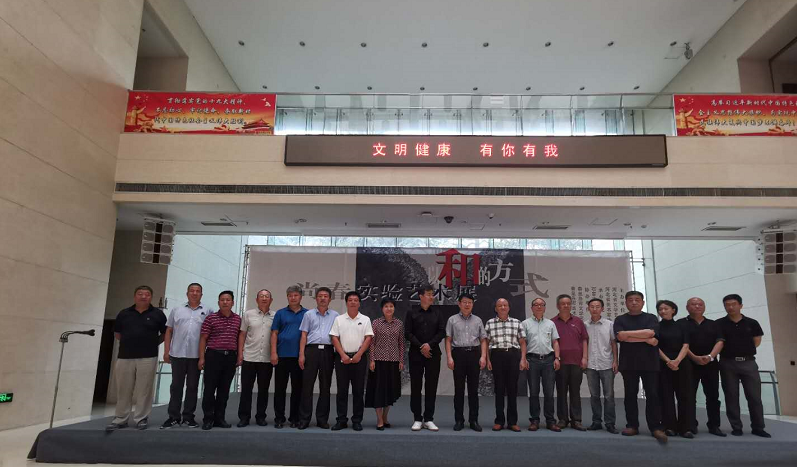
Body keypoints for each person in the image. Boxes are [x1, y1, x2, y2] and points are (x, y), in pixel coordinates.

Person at [106, 285, 167, 432]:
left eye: (147, 294)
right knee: (123, 389)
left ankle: (141, 418)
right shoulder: (124, 313)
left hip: (148, 356)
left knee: (144, 389)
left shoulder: (158, 314)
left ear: (151, 297)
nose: (143, 296)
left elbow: (165, 333)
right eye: (140, 294)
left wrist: (152, 343)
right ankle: (120, 418)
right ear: (135, 296)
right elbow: (117, 333)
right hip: (125, 356)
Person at [614, 291, 667, 443]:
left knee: (653, 395)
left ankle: (655, 427)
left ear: (643, 302)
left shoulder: (651, 317)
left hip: (650, 363)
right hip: (628, 363)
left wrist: (629, 335)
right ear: (626, 303)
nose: (634, 302)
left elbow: (652, 333)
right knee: (630, 395)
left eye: (637, 300)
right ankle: (632, 425)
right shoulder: (620, 319)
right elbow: (620, 337)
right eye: (630, 300)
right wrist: (644, 337)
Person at [717, 294, 770, 437]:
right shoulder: (719, 324)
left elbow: (756, 341)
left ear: (741, 305)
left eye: (733, 304)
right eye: (727, 305)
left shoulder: (752, 323)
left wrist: (743, 351)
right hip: (727, 363)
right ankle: (736, 427)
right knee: (731, 396)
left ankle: (758, 427)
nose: (730, 307)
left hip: (748, 362)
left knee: (754, 397)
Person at [162, 283, 212, 429]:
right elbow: (169, 331)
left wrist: (204, 355)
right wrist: (166, 351)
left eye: (198, 291)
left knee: (192, 387)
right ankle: (173, 417)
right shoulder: (177, 310)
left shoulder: (208, 311)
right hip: (177, 354)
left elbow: (210, 334)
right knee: (176, 386)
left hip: (196, 355)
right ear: (187, 293)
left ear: (201, 294)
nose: (194, 293)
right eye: (192, 291)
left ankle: (188, 417)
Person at [679, 297, 726, 436]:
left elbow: (720, 341)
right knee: (688, 396)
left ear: (704, 307)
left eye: (700, 304)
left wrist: (710, 357)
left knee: (713, 396)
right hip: (688, 364)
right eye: (693, 304)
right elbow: (681, 344)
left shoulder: (713, 324)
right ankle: (690, 425)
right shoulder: (680, 323)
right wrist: (694, 357)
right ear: (687, 307)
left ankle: (714, 425)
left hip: (710, 364)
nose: (697, 306)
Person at [329, 291, 374, 431]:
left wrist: (359, 354)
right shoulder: (339, 319)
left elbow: (368, 338)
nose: (353, 302)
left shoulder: (365, 319)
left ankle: (357, 420)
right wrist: (342, 355)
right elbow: (334, 337)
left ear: (359, 303)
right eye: (350, 300)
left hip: (359, 358)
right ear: (346, 303)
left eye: (355, 300)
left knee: (358, 391)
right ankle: (341, 420)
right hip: (342, 358)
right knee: (342, 391)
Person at [404, 285, 446, 432]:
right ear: (421, 296)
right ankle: (417, 418)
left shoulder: (438, 312)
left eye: (432, 294)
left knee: (431, 387)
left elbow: (441, 332)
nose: (431, 297)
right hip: (416, 354)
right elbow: (407, 333)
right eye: (428, 294)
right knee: (416, 386)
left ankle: (428, 419)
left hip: (433, 354)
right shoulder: (412, 312)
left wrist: (429, 345)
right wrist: (421, 346)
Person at [198, 290, 242, 430]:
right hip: (213, 356)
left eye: (228, 300)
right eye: (222, 300)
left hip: (230, 357)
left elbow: (239, 339)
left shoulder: (238, 319)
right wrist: (201, 358)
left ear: (232, 302)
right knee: (209, 389)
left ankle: (219, 418)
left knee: (224, 390)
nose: (225, 302)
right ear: (218, 302)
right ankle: (208, 419)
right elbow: (203, 338)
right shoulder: (211, 318)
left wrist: (239, 356)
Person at [297, 287, 339, 430]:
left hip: (328, 351)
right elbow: (303, 335)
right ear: (316, 298)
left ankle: (322, 419)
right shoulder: (308, 314)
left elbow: (337, 336)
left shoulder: (335, 315)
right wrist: (301, 354)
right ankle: (304, 419)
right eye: (320, 296)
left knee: (325, 387)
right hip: (311, 351)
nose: (322, 298)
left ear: (330, 299)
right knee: (307, 386)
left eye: (325, 296)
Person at [445, 293, 488, 432]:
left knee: (473, 390)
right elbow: (448, 340)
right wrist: (449, 357)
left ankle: (473, 420)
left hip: (474, 354)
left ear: (473, 304)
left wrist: (483, 356)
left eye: (470, 302)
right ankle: (459, 420)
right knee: (459, 390)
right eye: (464, 302)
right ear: (459, 304)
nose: (467, 304)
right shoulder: (452, 320)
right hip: (458, 354)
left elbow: (483, 340)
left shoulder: (478, 320)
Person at [270, 285, 308, 428]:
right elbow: (274, 333)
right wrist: (274, 352)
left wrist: (302, 354)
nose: (293, 298)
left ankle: (294, 418)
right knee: (280, 389)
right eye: (290, 295)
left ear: (300, 297)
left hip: (299, 357)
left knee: (297, 389)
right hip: (282, 356)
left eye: (296, 295)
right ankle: (279, 418)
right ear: (287, 297)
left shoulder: (307, 314)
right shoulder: (280, 313)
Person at [521, 297, 561, 432]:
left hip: (549, 360)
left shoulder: (550, 324)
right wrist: (523, 359)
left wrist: (557, 358)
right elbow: (523, 343)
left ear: (545, 308)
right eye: (536, 305)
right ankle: (534, 420)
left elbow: (555, 342)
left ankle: (550, 421)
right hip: (532, 360)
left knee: (549, 392)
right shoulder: (525, 324)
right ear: (531, 308)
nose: (539, 307)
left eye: (541, 305)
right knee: (533, 392)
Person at [656, 300, 694, 439]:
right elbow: (656, 346)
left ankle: (686, 428)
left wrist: (677, 360)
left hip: (682, 363)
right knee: (666, 396)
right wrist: (668, 361)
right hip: (663, 363)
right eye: (660, 309)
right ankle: (670, 426)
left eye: (666, 308)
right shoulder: (657, 327)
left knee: (685, 395)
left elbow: (686, 345)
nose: (663, 311)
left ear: (673, 310)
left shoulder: (682, 326)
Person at [236, 289, 275, 427]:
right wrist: (240, 353)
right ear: (256, 299)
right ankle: (244, 417)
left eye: (267, 296)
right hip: (249, 357)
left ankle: (261, 417)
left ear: (271, 300)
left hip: (266, 359)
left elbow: (276, 336)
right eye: (261, 296)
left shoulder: (275, 316)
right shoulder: (248, 314)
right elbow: (242, 334)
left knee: (263, 390)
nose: (264, 298)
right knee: (246, 390)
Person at [484, 298, 524, 432]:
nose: (502, 307)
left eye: (505, 305)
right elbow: (486, 343)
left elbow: (522, 342)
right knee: (499, 389)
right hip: (497, 356)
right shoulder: (490, 323)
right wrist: (488, 359)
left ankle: (512, 422)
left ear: (509, 307)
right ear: (495, 308)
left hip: (513, 356)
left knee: (512, 389)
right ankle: (499, 421)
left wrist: (523, 359)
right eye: (500, 305)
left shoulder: (516, 322)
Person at [365, 298, 405, 430]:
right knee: (379, 391)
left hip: (393, 362)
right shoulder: (376, 323)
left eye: (391, 306)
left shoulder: (399, 324)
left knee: (390, 391)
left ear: (394, 308)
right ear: (382, 309)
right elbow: (371, 343)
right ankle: (379, 419)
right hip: (378, 362)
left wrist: (401, 360)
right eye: (386, 306)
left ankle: (385, 417)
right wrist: (372, 360)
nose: (389, 308)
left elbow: (401, 343)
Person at [551, 294, 589, 431]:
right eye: (563, 303)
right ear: (558, 306)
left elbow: (584, 340)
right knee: (561, 391)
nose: (566, 306)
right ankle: (562, 419)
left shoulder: (578, 321)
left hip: (576, 362)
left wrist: (584, 357)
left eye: (568, 303)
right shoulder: (552, 322)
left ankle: (576, 420)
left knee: (575, 391)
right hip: (560, 363)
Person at [584, 298, 618, 434]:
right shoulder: (584, 325)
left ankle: (610, 423)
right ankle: (596, 421)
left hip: (607, 363)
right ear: (588, 308)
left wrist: (615, 361)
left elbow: (613, 343)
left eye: (597, 306)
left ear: (602, 309)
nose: (595, 309)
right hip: (591, 365)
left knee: (609, 396)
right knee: (594, 395)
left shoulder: (609, 324)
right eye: (592, 306)